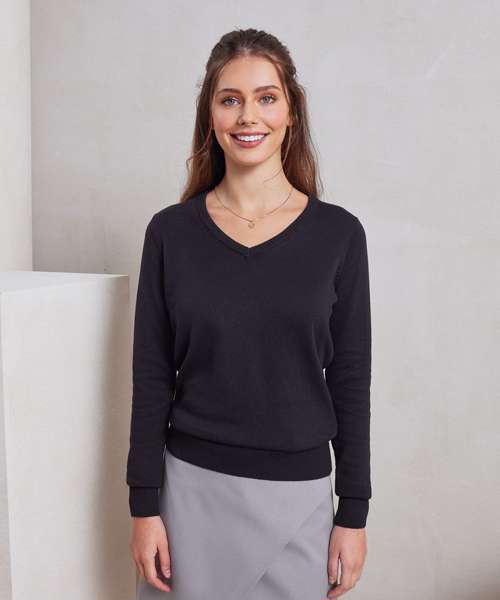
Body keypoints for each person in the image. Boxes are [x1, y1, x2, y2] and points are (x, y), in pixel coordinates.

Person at [126, 27, 372, 600]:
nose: (247, 116)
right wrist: (144, 506)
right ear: (210, 115)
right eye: (230, 99)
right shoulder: (171, 233)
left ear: (291, 112)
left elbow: (350, 380)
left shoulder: (338, 235)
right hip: (188, 497)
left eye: (266, 97)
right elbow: (151, 377)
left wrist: (353, 512)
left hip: (299, 499)